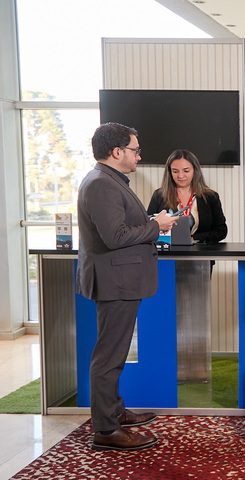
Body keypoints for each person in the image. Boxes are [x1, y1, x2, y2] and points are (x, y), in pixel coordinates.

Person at [77, 122, 178, 451]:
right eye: (135, 150)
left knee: (114, 353)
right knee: (109, 357)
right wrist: (156, 225)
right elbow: (115, 237)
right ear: (116, 151)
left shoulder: (108, 180)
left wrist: (150, 222)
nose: (139, 155)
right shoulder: (101, 184)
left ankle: (115, 411)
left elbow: (118, 228)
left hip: (119, 280)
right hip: (115, 281)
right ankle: (106, 430)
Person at [146, 149, 228, 244]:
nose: (181, 176)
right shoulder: (159, 195)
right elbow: (149, 227)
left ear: (195, 170)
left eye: (186, 171)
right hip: (168, 251)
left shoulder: (210, 197)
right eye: (175, 171)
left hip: (201, 251)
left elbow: (221, 231)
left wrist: (194, 238)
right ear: (170, 173)